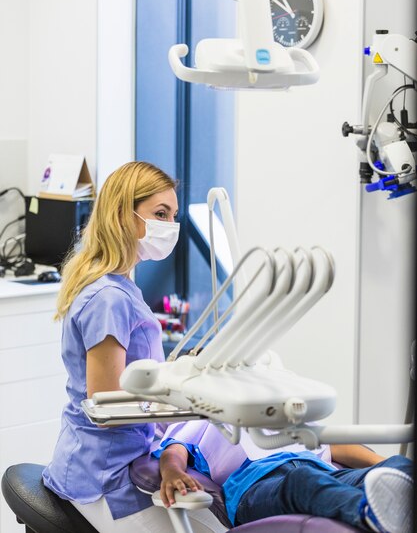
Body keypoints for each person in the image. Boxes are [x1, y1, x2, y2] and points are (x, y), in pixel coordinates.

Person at [42, 162, 220, 533]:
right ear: (124, 214)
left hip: (120, 460)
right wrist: (185, 399)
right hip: (103, 476)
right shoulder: (109, 297)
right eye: (160, 214)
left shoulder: (118, 285)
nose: (170, 226)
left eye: (173, 215)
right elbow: (107, 402)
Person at [152, 420, 413, 533]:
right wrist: (172, 472)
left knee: (398, 463)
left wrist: (387, 466)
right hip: (256, 485)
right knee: (303, 482)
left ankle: (401, 505)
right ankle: (373, 514)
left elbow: (335, 446)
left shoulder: (279, 412)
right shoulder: (205, 417)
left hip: (323, 473)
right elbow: (174, 452)